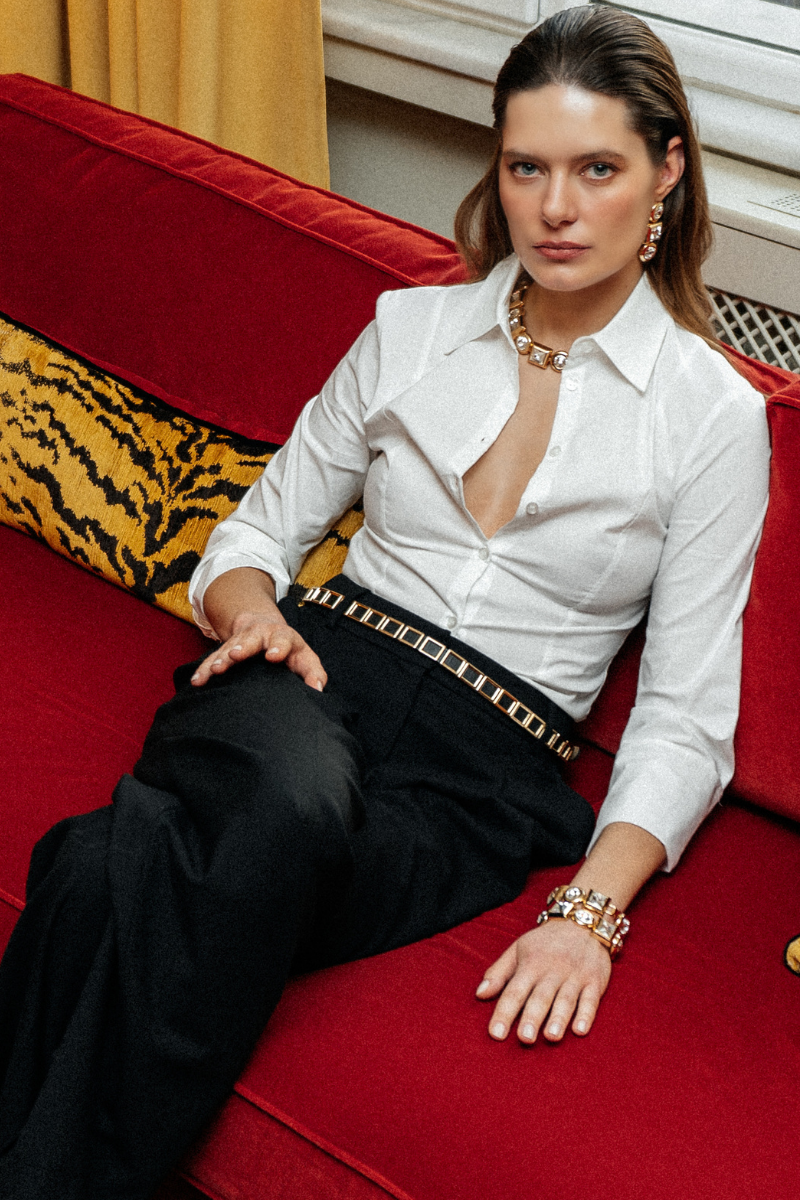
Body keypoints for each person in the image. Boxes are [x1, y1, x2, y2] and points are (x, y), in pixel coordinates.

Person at [0, 6, 770, 1200]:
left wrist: (587, 914)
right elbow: (254, 537)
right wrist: (249, 613)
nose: (555, 209)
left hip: (480, 778)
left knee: (108, 868)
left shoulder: (711, 419)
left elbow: (683, 718)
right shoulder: (409, 331)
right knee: (286, 812)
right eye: (525, 168)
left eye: (596, 170)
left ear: (664, 171)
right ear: (496, 171)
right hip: (304, 679)